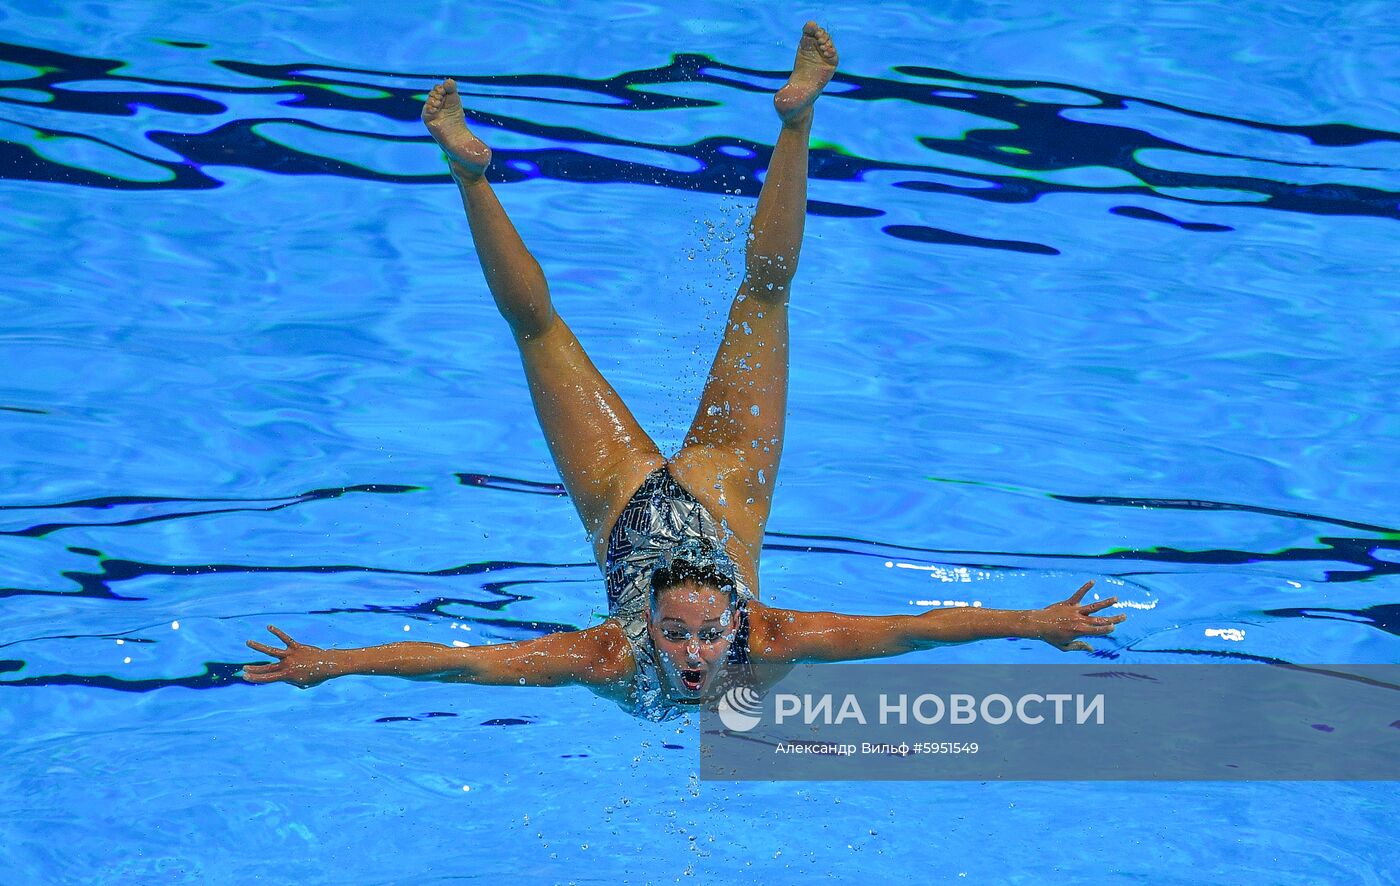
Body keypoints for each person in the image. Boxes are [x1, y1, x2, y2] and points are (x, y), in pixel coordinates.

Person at [240, 22, 1126, 721]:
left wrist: (1039, 625)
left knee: (552, 328)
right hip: (722, 486)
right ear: (652, 630)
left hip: (624, 498)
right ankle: (499, 170)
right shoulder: (669, 648)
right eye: (680, 638)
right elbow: (464, 665)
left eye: (704, 636)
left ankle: (775, 120)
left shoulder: (695, 648)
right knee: (753, 299)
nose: (697, 655)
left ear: (733, 621)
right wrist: (332, 664)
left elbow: (914, 632)